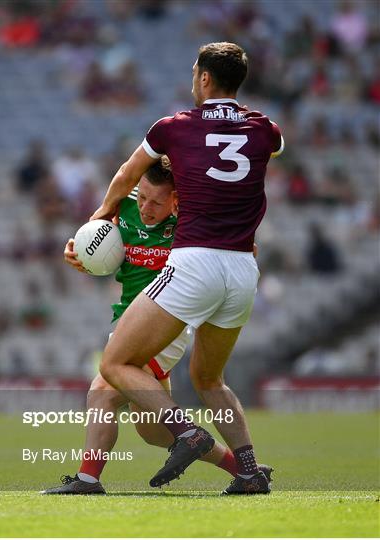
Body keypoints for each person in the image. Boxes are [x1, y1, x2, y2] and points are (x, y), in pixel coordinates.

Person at [89, 42, 284, 495]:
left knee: (116, 362)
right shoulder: (265, 130)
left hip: (195, 261)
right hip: (242, 268)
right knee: (209, 378)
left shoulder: (173, 128)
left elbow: (126, 174)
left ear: (203, 79)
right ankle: (250, 471)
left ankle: (188, 433)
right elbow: (266, 150)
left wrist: (100, 217)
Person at [43, 157, 272, 494]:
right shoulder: (123, 209)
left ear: (177, 199)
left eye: (157, 201)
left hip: (165, 325)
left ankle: (87, 479)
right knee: (151, 430)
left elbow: (235, 250)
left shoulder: (191, 225)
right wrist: (78, 253)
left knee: (102, 393)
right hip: (127, 321)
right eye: (143, 197)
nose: (147, 208)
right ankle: (243, 468)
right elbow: (94, 241)